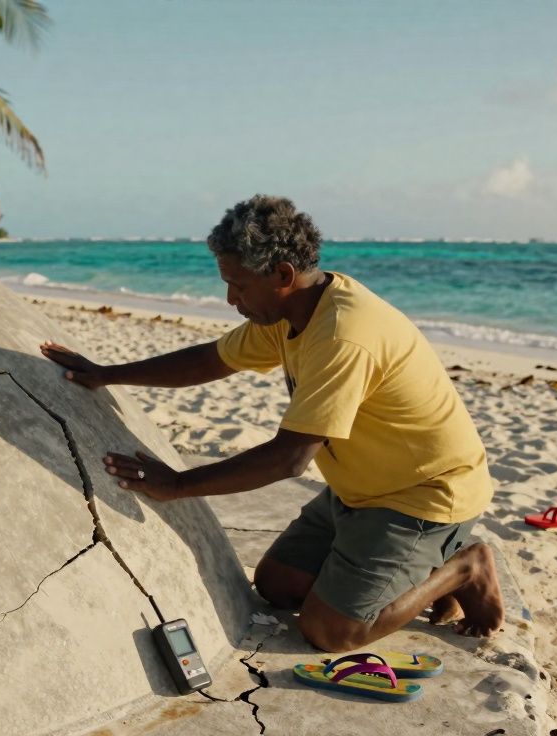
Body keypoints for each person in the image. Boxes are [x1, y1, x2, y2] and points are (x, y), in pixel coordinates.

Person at [40, 195, 504, 653]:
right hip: (357, 492)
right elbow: (211, 359)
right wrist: (107, 375)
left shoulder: (344, 334)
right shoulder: (291, 311)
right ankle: (412, 574)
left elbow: (290, 458)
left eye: (238, 286)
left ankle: (465, 567)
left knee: (330, 631)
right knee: (277, 584)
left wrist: (178, 485)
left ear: (282, 274)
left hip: (423, 497)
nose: (230, 299)